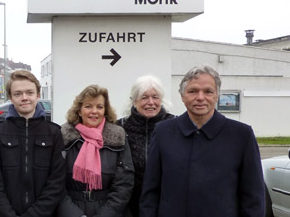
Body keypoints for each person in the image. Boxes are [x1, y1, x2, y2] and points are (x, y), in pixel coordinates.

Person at [140, 65, 265, 217]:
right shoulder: (162, 132)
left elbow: (253, 197)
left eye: (208, 91)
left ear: (217, 96)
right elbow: (150, 193)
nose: (200, 97)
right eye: (193, 91)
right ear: (182, 96)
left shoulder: (242, 135)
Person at [0, 70, 65, 216]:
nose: (24, 98)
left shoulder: (54, 133)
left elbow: (57, 182)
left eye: (29, 93)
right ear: (10, 97)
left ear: (38, 95)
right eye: (18, 94)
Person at [58, 85, 134, 217]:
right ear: (79, 111)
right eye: (88, 106)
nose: (94, 111)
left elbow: (124, 184)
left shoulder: (118, 136)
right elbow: (55, 182)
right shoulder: (63, 136)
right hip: (71, 210)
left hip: (109, 211)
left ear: (105, 110)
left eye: (99, 107)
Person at [117, 75, 175, 217]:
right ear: (134, 100)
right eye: (144, 97)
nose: (151, 102)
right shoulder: (120, 127)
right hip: (128, 204)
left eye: (155, 97)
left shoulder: (174, 125)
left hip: (166, 202)